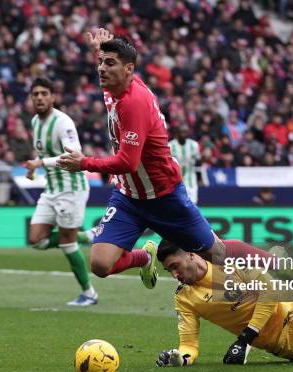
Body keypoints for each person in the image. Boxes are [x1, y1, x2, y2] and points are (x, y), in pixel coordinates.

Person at [58, 28, 277, 292]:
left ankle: (276, 263)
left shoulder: (133, 103)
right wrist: (101, 49)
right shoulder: (115, 87)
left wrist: (83, 163)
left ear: (128, 69)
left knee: (217, 254)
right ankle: (146, 257)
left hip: (165, 197)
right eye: (101, 63)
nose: (101, 69)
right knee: (101, 265)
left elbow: (127, 162)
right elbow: (114, 64)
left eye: (109, 63)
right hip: (128, 198)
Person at [154, 240, 293, 366]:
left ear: (191, 256)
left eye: (175, 266)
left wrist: (246, 338)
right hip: (289, 341)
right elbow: (189, 346)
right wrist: (180, 358)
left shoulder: (226, 262)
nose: (174, 274)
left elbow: (270, 292)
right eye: (169, 270)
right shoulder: (184, 298)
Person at [22, 77, 97, 307]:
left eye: (45, 93)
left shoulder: (63, 122)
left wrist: (41, 163)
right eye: (36, 94)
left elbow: (74, 154)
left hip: (71, 189)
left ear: (53, 97)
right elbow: (45, 153)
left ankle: (89, 294)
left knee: (67, 243)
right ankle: (89, 236)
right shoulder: (35, 121)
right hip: (51, 189)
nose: (40, 98)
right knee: (36, 240)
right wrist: (36, 164)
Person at [169, 125, 201, 204]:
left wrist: (199, 178)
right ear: (177, 133)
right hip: (176, 181)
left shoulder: (194, 145)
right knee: (179, 205)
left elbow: (198, 162)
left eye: (185, 132)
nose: (183, 134)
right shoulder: (170, 145)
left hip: (191, 180)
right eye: (181, 132)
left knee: (193, 204)